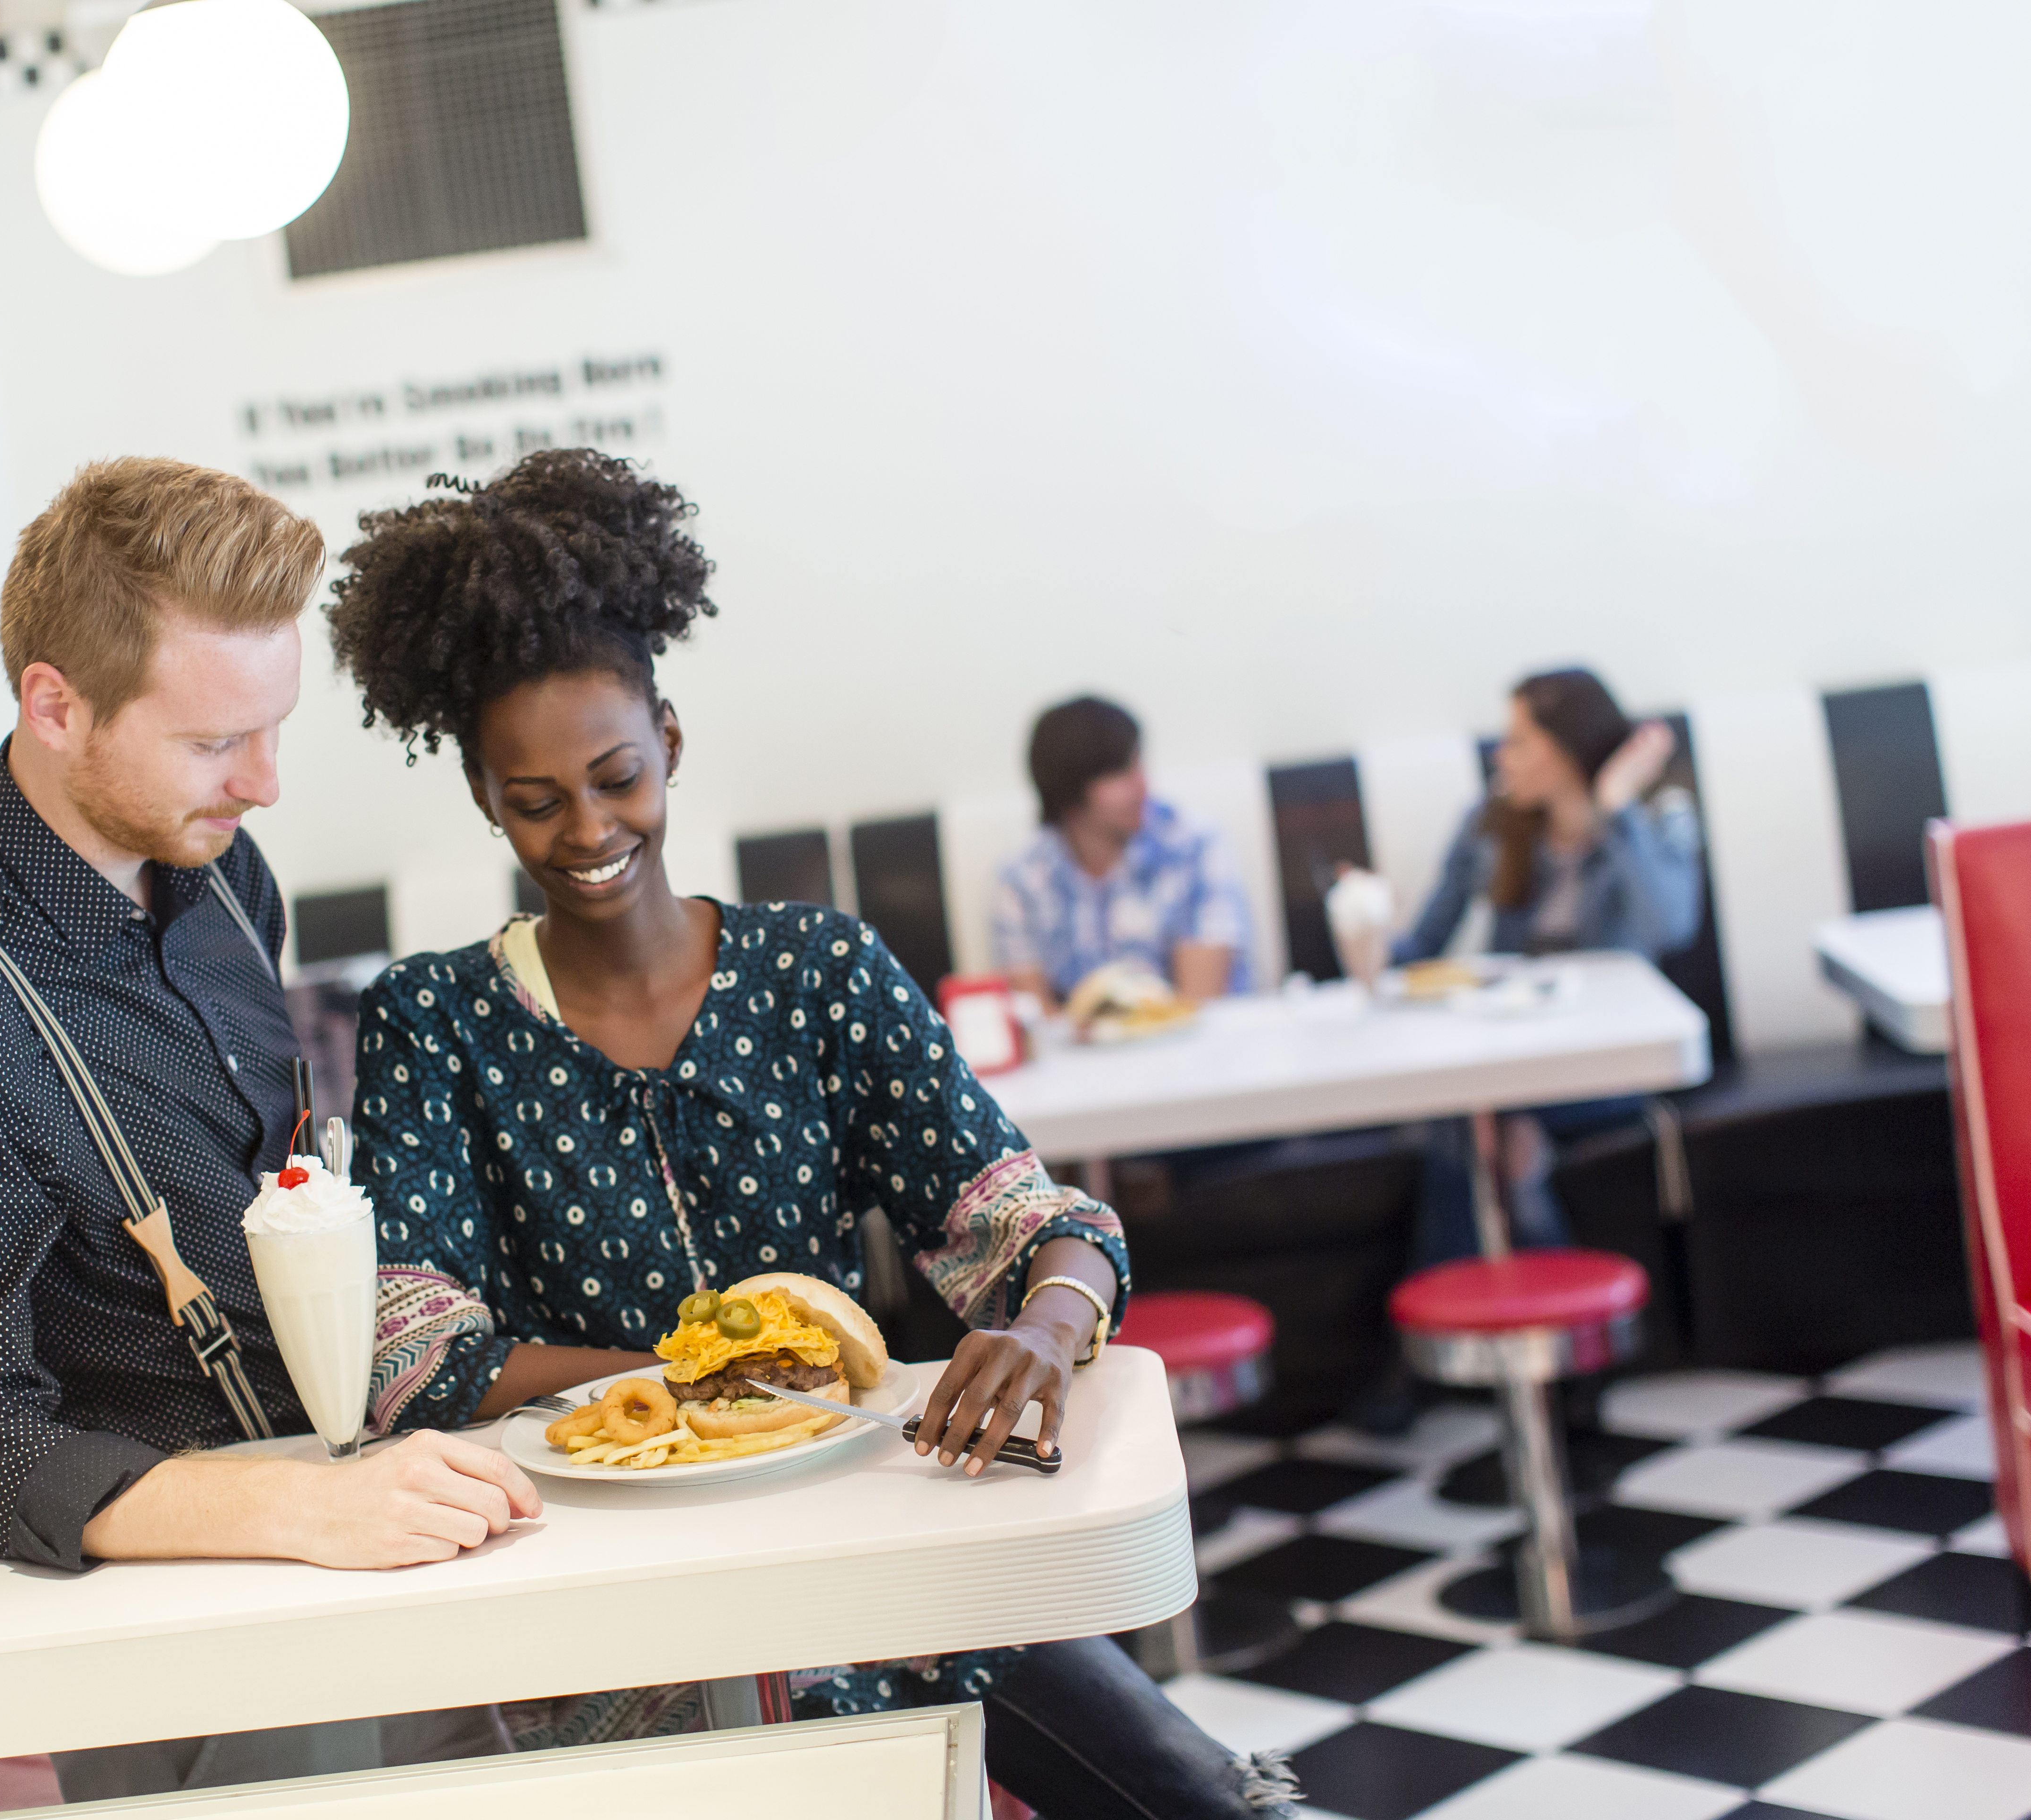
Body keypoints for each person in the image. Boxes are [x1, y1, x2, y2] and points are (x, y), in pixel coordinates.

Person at [324, 452, 1301, 1819]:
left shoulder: (817, 974)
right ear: (487, 798)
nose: (589, 830)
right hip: (608, 1612)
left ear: (670, 736)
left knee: (1219, 1806)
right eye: (536, 799)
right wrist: (711, 1397)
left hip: (882, 1555)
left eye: (615, 776)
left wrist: (1045, 1327)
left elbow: (1034, 1224)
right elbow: (418, 1354)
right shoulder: (435, 1020)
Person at [0, 459, 541, 1797]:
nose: (263, 784)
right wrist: (306, 1511)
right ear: (55, 704)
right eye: (216, 742)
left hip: (366, 1541)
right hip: (191, 1653)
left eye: (275, 729)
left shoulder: (220, 874)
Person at [1390, 666, 1704, 1265]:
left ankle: (1461, 1319)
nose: (1502, 757)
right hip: (1515, 1061)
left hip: (1613, 1063)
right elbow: (1423, 948)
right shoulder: (1490, 824)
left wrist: (1614, 811)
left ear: (1565, 751)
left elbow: (1670, 925)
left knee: (1481, 1119)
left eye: (1518, 742)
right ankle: (1549, 1313)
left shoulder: (1660, 817)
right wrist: (1372, 932)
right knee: (1484, 1116)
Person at [992, 696, 1252, 1008]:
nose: (1142, 785)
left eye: (1138, 764)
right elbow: (1036, 1020)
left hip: (1190, 1048)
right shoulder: (1021, 880)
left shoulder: (1194, 847)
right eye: (1120, 773)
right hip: (1078, 1055)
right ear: (1068, 794)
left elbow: (1200, 1004)